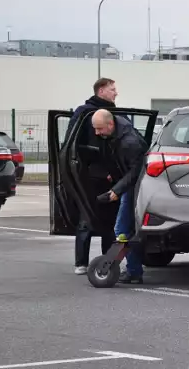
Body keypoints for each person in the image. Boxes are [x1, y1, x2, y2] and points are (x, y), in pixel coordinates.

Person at [91, 109, 149, 284]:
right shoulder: (115, 133)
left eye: (99, 128)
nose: (97, 133)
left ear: (110, 124)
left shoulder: (130, 142)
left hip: (135, 185)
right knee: (128, 229)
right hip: (130, 184)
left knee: (122, 230)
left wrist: (117, 190)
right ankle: (134, 271)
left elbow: (135, 172)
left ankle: (133, 272)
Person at [68, 78, 118, 275]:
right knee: (86, 217)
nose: (116, 93)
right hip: (89, 175)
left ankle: (108, 261)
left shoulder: (114, 114)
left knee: (110, 220)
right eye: (112, 89)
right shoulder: (84, 113)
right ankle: (81, 262)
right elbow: (74, 145)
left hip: (112, 176)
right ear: (101, 91)